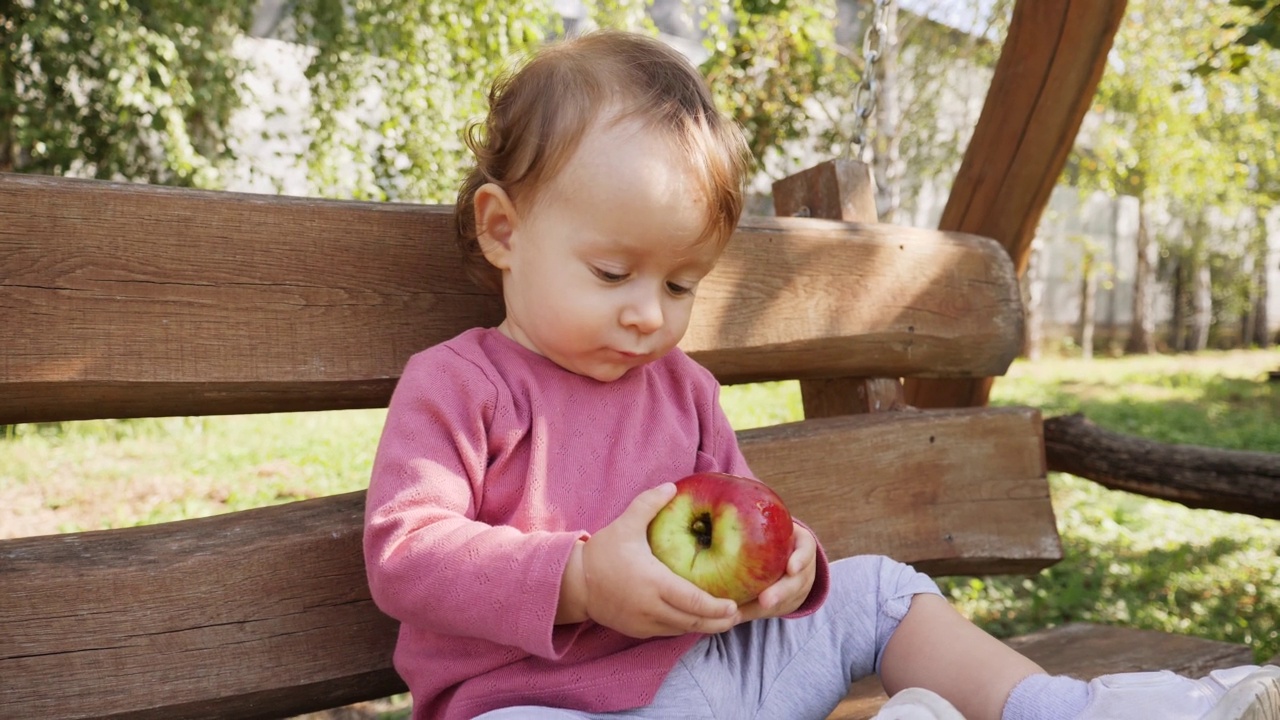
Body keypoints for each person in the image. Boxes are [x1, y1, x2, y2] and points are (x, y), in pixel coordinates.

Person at [363, 29, 1280, 720]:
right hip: (545, 698)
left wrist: (791, 568)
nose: (650, 311)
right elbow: (406, 555)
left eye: (681, 283)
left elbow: (751, 515)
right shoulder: (463, 384)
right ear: (503, 231)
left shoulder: (681, 387)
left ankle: (1065, 710)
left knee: (880, 589)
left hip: (720, 673)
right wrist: (580, 581)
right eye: (612, 274)